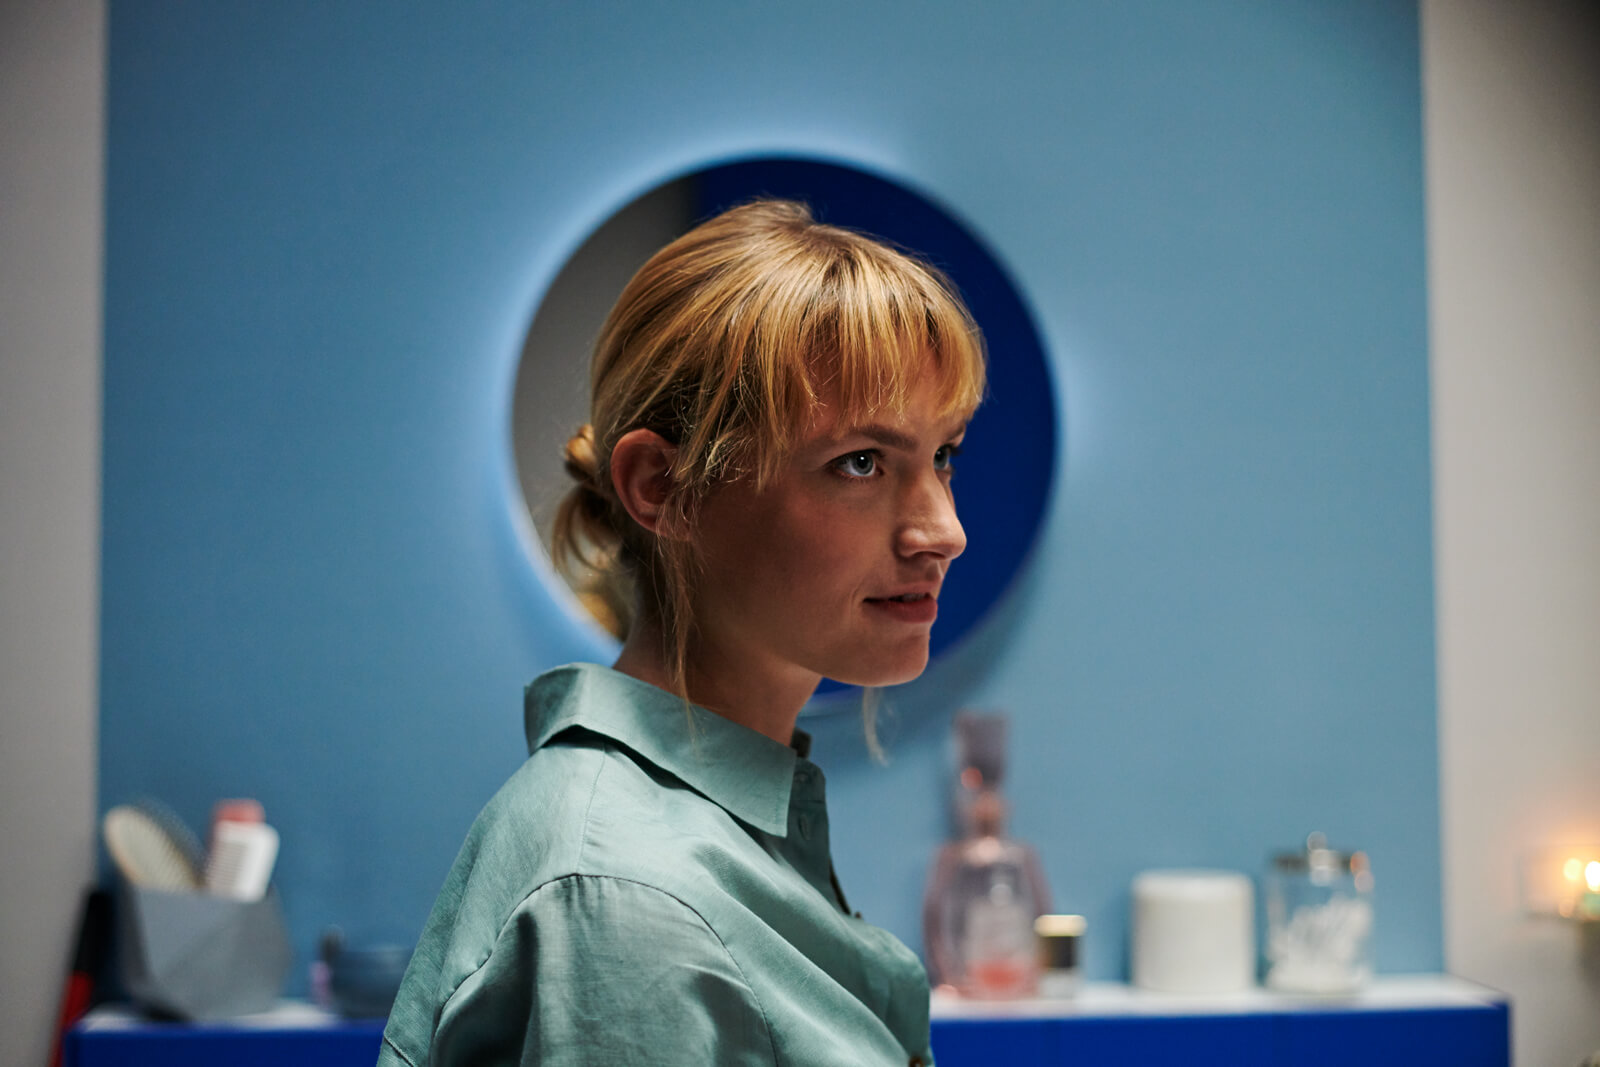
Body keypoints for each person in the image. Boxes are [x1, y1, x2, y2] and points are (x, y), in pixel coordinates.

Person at [379, 199, 986, 1066]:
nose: (943, 531)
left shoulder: (683, 846)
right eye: (860, 461)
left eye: (944, 455)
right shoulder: (630, 898)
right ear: (661, 486)